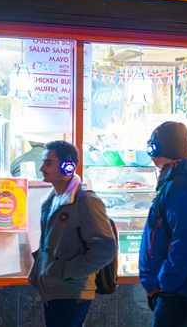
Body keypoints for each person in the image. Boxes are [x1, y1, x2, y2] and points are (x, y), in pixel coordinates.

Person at [29, 140, 117, 327]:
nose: (42, 168)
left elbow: (105, 249)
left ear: (67, 167)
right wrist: (39, 272)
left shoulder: (86, 201)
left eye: (48, 163)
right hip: (53, 289)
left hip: (72, 292)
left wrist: (66, 271)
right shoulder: (52, 200)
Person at [139, 122, 187, 327]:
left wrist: (165, 283)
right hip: (178, 290)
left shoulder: (180, 187)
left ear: (158, 148)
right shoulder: (177, 182)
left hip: (180, 292)